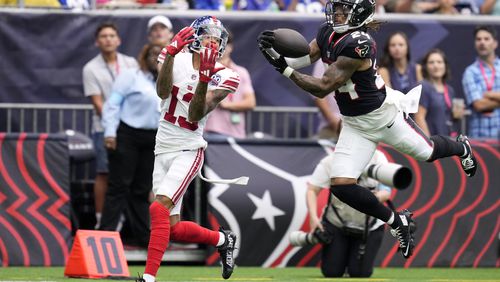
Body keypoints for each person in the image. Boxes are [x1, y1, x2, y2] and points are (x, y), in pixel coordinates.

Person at [258, 0, 478, 259]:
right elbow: (306, 57)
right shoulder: (328, 31)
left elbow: (323, 86)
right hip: (354, 124)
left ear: (358, 13)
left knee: (427, 152)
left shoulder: (360, 44)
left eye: (343, 8)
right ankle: (397, 221)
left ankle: (461, 146)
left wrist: (283, 68)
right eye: (336, 7)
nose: (336, 13)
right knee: (341, 185)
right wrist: (277, 55)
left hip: (384, 117)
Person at [139, 16, 239, 282]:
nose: (212, 42)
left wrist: (204, 79)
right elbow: (162, 93)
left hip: (188, 147)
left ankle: (149, 278)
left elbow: (195, 115)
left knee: (157, 208)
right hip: (163, 146)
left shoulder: (226, 75)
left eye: (217, 39)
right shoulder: (175, 56)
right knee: (172, 229)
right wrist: (171, 54)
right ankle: (222, 239)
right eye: (207, 36)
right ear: (195, 37)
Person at [99, 43, 162, 248]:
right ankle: (105, 236)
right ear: (144, 56)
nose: (157, 58)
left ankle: (143, 237)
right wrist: (110, 133)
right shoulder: (130, 76)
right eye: (153, 54)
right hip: (127, 135)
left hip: (153, 137)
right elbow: (113, 104)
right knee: (119, 186)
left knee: (142, 189)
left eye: (162, 55)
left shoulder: (167, 81)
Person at [82, 22, 138, 229]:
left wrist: (133, 121)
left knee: (132, 176)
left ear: (119, 40)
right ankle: (101, 219)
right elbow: (98, 104)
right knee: (104, 173)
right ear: (97, 42)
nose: (108, 39)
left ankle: (130, 222)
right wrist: (115, 125)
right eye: (104, 36)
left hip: (133, 129)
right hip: (104, 129)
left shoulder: (131, 63)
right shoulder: (90, 68)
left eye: (112, 35)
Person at [307, 150, 391, 277]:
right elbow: (312, 189)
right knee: (331, 272)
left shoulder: (378, 158)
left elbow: (386, 191)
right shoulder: (330, 161)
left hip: (369, 226)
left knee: (360, 274)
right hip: (337, 223)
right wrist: (313, 217)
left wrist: (374, 198)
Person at [204, 32, 256, 139]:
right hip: (209, 131)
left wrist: (226, 105)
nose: (221, 47)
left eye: (225, 43)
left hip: (236, 133)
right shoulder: (205, 70)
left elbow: (251, 103)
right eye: (218, 42)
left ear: (230, 47)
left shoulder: (241, 72)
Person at [415, 49, 464, 136]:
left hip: (448, 142)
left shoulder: (450, 90)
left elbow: (451, 117)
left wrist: (458, 114)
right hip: (433, 144)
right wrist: (429, 144)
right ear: (425, 67)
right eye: (431, 62)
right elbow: (419, 118)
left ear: (445, 65)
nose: (436, 66)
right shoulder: (423, 86)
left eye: (439, 62)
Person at [462, 25, 500, 139]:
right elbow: (479, 105)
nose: (482, 42)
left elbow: (483, 102)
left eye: (486, 39)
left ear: (495, 44)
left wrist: (490, 95)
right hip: (480, 138)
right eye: (478, 39)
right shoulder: (470, 72)